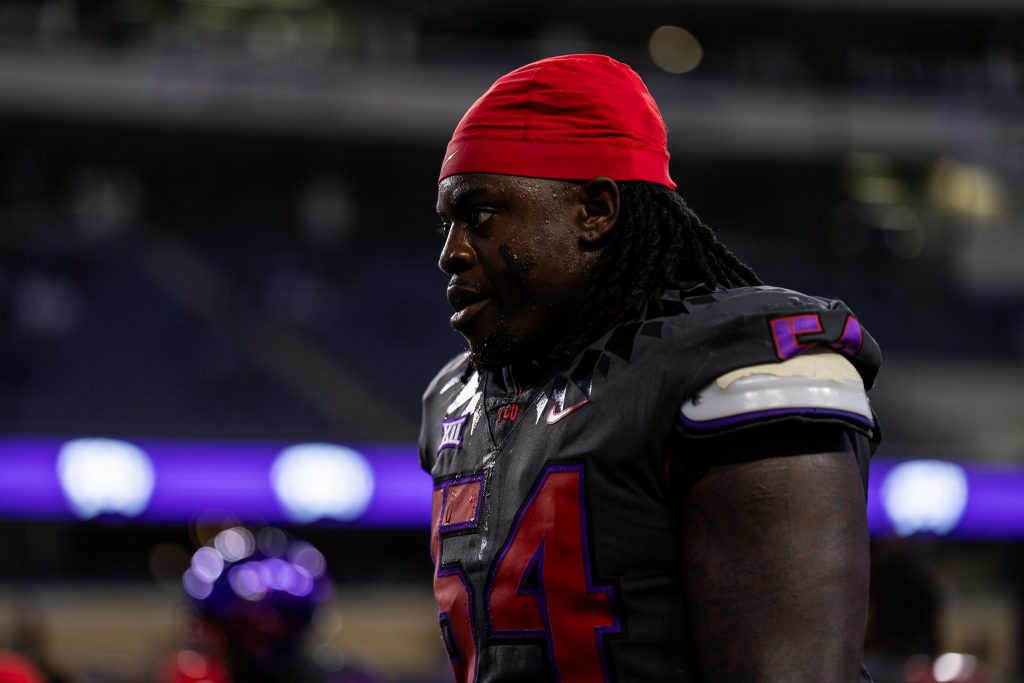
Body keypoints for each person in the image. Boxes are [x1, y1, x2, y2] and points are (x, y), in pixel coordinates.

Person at [419, 54, 881, 683]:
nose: (452, 253)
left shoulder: (738, 366)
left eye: (479, 216)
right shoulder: (458, 396)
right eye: (447, 223)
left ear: (595, 211)